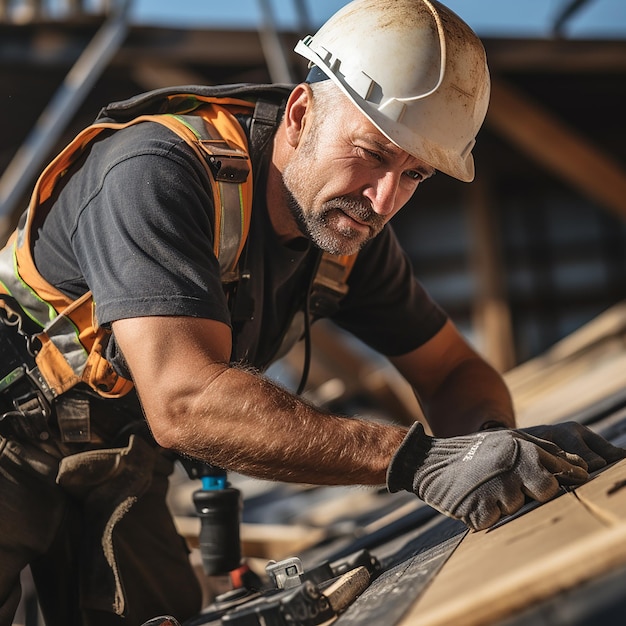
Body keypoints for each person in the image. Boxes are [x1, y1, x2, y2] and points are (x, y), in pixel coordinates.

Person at [0, 0, 624, 624]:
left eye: (415, 176)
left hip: (116, 456)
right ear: (300, 115)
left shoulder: (347, 237)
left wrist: (490, 449)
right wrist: (417, 462)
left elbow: (452, 370)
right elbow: (185, 402)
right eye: (374, 153)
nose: (383, 200)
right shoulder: (156, 174)